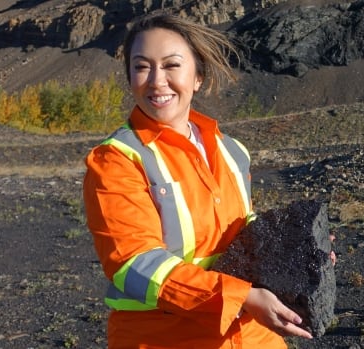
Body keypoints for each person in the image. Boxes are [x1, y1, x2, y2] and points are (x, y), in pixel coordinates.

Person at [82, 10, 317, 349]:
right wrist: (242, 297)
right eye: (142, 66)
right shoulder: (116, 160)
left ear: (198, 77)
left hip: (250, 333)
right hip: (163, 337)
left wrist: (300, 250)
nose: (156, 80)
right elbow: (134, 263)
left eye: (171, 65)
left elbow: (243, 232)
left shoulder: (231, 150)